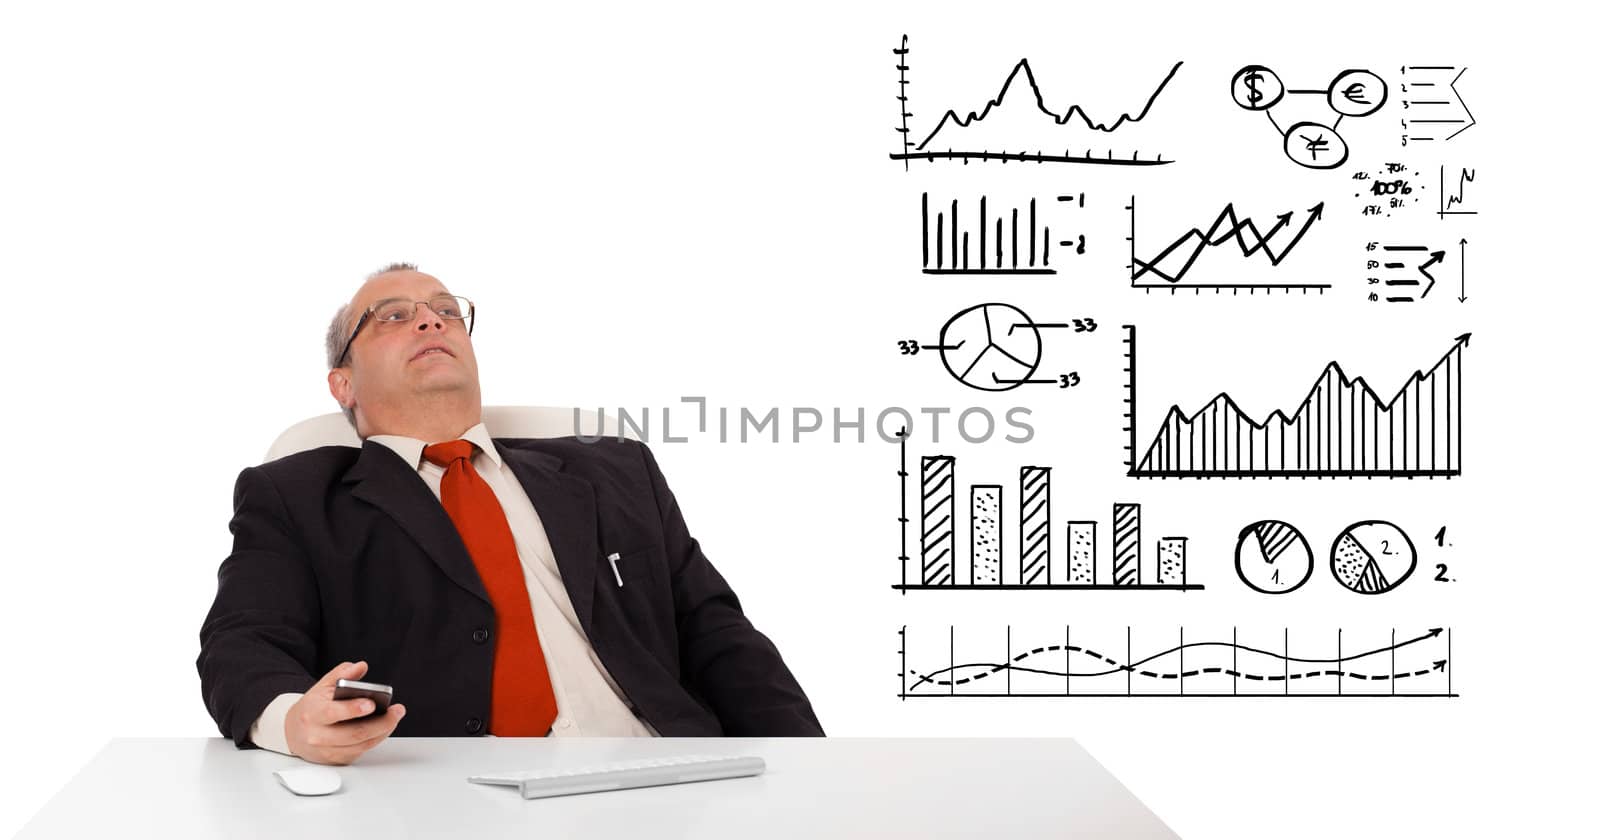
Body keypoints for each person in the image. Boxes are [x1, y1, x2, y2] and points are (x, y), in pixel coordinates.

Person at [197, 263, 823, 765]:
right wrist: (293, 722)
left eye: (446, 311)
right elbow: (242, 642)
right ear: (344, 385)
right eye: (393, 315)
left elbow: (718, 635)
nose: (429, 322)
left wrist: (815, 773)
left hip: (661, 776)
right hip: (450, 797)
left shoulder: (616, 471)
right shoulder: (294, 497)